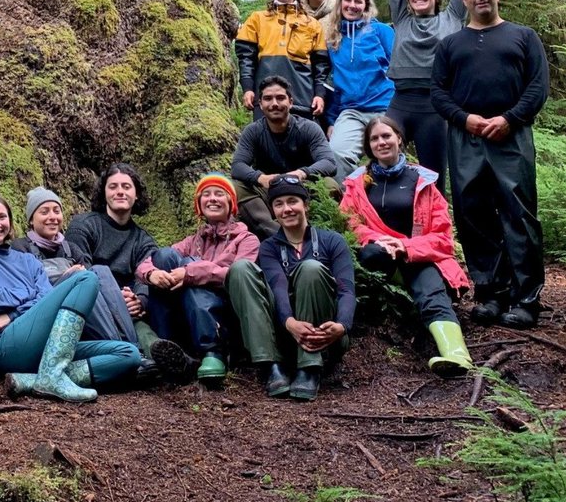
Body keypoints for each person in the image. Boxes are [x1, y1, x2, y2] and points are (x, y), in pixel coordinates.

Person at [432, 0, 549, 329]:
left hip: (510, 136)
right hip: (466, 137)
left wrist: (510, 118)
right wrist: (463, 118)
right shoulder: (450, 45)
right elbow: (438, 91)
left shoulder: (523, 37)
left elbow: (538, 86)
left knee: (519, 213)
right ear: (464, 0)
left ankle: (526, 298)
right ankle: (491, 294)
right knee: (473, 214)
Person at [0, 194, 141, 402]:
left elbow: (45, 296)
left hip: (50, 346)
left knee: (129, 355)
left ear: (10, 220)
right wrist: (28, 297)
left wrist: (12, 313)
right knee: (85, 279)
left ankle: (35, 380)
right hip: (6, 345)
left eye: (2, 217)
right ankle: (51, 376)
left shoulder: (28, 261)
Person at [339, 117, 473, 375]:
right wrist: (380, 240)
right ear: (368, 146)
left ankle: (456, 356)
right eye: (375, 138)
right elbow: (348, 223)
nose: (382, 142)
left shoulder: (422, 181)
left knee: (432, 294)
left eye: (386, 136)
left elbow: (443, 238)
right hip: (379, 259)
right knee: (372, 252)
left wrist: (404, 246)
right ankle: (403, 287)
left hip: (418, 257)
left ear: (399, 138)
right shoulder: (356, 184)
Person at [386, 0, 498, 193]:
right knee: (383, 153)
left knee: (434, 173)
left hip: (435, 104)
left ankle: (436, 226)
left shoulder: (452, 17)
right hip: (401, 100)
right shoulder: (401, 18)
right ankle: (388, 215)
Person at [225, 178, 355, 401]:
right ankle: (270, 364)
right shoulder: (268, 247)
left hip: (326, 334)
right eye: (279, 204)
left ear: (306, 205)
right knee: (240, 269)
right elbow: (277, 285)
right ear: (273, 212)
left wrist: (342, 325)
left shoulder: (332, 241)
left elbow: (347, 290)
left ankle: (310, 367)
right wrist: (289, 322)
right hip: (286, 334)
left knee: (311, 268)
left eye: (292, 201)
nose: (286, 209)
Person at [135, 173, 260, 385]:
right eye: (206, 194)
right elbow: (145, 265)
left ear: (231, 203)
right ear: (199, 205)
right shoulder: (193, 240)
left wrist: (191, 272)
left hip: (225, 319)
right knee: (165, 256)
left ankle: (213, 352)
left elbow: (236, 275)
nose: (212, 198)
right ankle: (168, 348)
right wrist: (152, 274)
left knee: (191, 270)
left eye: (219, 194)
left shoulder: (246, 239)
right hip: (188, 315)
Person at [65, 164, 184, 374]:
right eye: (113, 187)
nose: (120, 191)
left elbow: (145, 273)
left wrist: (140, 299)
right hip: (93, 305)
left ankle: (163, 357)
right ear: (104, 193)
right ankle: (142, 354)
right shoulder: (84, 225)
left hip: (129, 312)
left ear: (136, 194)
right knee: (96, 274)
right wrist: (116, 298)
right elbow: (81, 266)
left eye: (126, 186)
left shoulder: (143, 239)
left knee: (138, 320)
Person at [11, 187, 140, 346]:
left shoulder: (70, 248)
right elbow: (27, 290)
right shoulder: (21, 248)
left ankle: (133, 347)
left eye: (56, 211)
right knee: (81, 279)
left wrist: (119, 295)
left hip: (84, 314)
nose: (52, 217)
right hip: (48, 312)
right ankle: (121, 349)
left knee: (100, 271)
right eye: (44, 212)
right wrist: (69, 278)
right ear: (31, 219)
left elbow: (95, 283)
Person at [231, 75, 337, 240]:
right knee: (236, 188)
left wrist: (302, 173)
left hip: (302, 188)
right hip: (268, 190)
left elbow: (329, 162)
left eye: (280, 98)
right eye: (268, 99)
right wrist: (260, 178)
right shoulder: (253, 131)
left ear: (291, 102)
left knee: (329, 184)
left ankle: (315, 236)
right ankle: (278, 237)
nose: (274, 103)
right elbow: (237, 166)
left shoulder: (309, 128)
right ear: (260, 103)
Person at [320, 0, 396, 182]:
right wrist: (331, 120)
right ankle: (347, 206)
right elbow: (334, 83)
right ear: (340, 5)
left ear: (366, 6)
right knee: (335, 153)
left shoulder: (381, 31)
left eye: (358, 1)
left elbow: (398, 68)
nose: (352, 5)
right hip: (351, 111)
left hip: (384, 108)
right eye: (348, 0)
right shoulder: (333, 39)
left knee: (387, 157)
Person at [236, 0, 331, 119]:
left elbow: (321, 64)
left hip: (302, 98)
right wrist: (248, 88)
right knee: (265, 141)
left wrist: (319, 94)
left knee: (301, 141)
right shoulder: (257, 19)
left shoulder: (312, 24)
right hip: (266, 99)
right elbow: (246, 58)